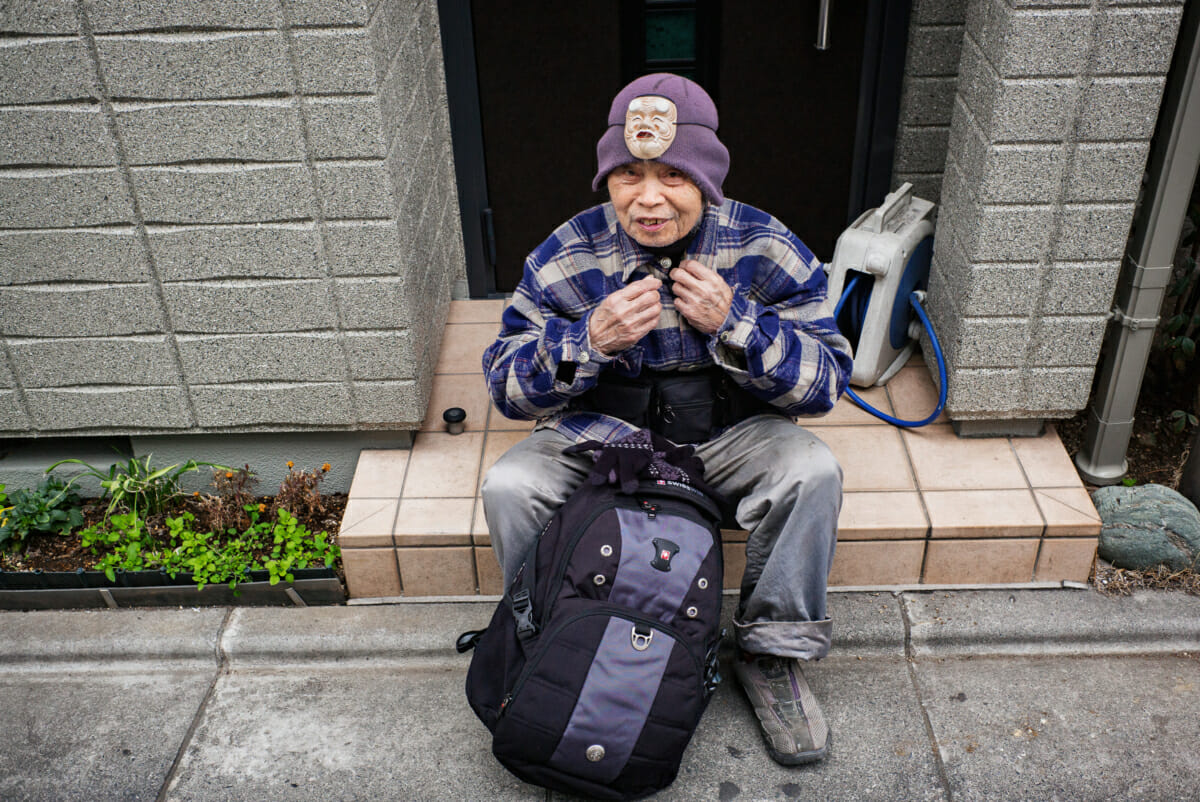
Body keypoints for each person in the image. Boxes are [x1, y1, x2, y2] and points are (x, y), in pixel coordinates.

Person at [480, 73, 853, 766]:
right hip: (603, 442)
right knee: (510, 485)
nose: (648, 198)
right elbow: (505, 386)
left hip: (726, 440)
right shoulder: (567, 253)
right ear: (607, 178)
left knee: (811, 470)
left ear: (706, 179)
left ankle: (770, 655)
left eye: (672, 175)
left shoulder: (763, 244)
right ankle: (543, 640)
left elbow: (826, 382)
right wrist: (586, 341)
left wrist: (735, 324)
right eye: (627, 174)